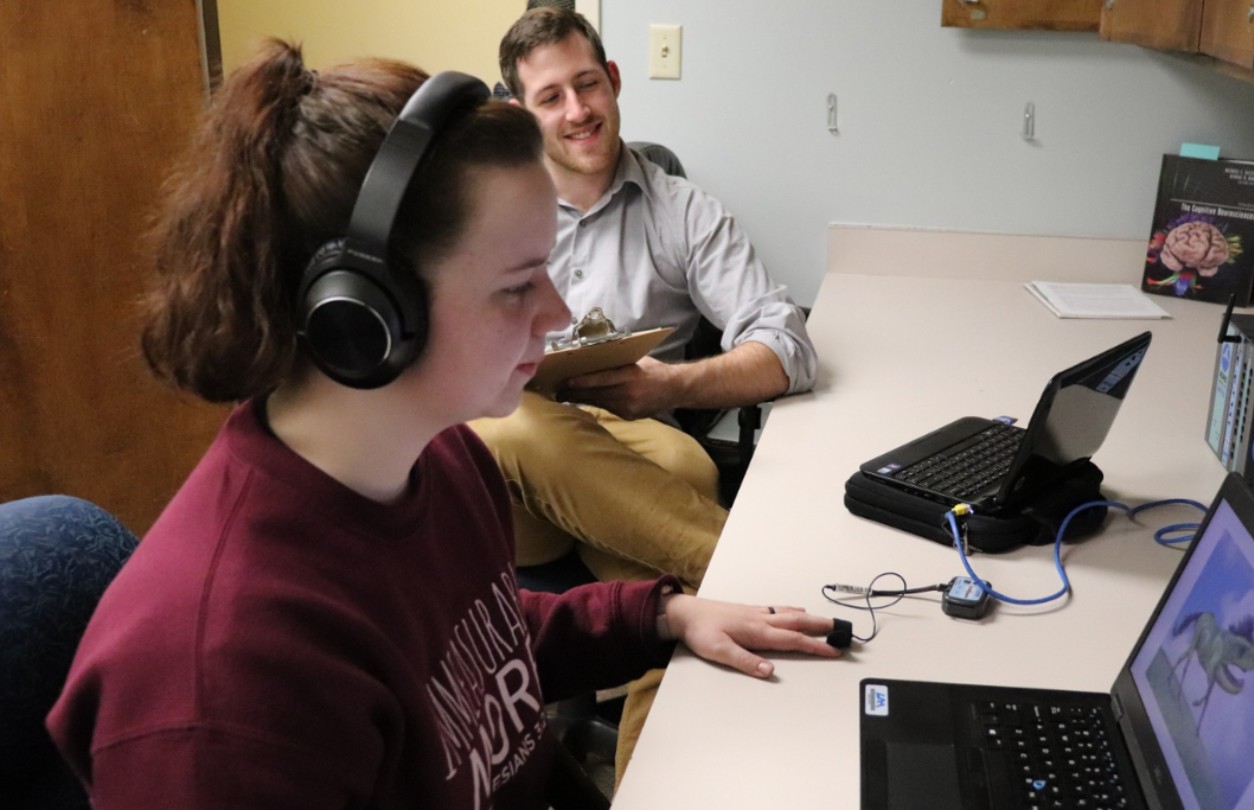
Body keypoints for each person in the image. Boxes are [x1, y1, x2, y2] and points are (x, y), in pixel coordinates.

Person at [44, 40, 841, 809]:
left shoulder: (445, 459)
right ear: (366, 319)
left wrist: (662, 614)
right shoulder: (222, 699)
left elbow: (473, 640)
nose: (557, 315)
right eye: (516, 286)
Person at [471, 6, 818, 592]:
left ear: (613, 79)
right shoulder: (483, 210)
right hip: (513, 444)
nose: (578, 111)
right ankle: (755, 578)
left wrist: (671, 386)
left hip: (635, 436)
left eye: (587, 85)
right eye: (551, 97)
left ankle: (656, 675)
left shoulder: (683, 211)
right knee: (518, 432)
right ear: (519, 116)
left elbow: (789, 349)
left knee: (687, 467)